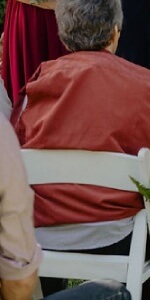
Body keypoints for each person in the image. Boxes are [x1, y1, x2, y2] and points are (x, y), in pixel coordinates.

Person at [13, 0, 150, 299]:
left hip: (43, 234)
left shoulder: (37, 86)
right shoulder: (144, 87)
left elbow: (15, 160)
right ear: (115, 32)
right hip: (117, 234)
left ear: (63, 35)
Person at [0, 112, 132, 300]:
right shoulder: (2, 134)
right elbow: (19, 282)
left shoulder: (29, 99)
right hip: (111, 231)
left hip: (45, 233)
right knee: (115, 293)